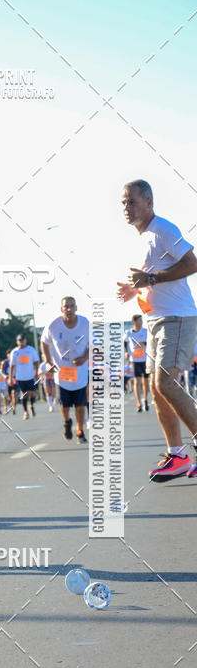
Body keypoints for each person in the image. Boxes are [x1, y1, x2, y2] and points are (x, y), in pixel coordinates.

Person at [117, 180, 197, 480]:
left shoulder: (163, 229)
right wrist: (136, 289)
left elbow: (192, 263)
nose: (126, 208)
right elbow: (153, 278)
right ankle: (178, 455)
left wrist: (150, 280)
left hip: (177, 318)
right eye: (123, 203)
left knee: (166, 383)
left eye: (132, 201)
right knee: (157, 389)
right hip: (155, 321)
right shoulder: (143, 237)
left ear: (149, 202)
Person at [41, 297, 90, 444]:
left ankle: (80, 430)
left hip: (80, 373)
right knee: (65, 405)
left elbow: (95, 344)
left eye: (71, 306)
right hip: (61, 373)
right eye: (66, 307)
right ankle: (67, 422)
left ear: (76, 308)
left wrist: (84, 358)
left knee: (80, 406)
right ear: (61, 309)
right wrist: (47, 361)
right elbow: (44, 342)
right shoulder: (53, 325)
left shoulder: (85, 324)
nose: (69, 309)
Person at [8, 334, 39, 419]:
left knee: (32, 394)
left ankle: (31, 405)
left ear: (25, 340)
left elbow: (36, 362)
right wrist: (10, 377)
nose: (21, 342)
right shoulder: (14, 352)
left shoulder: (31, 350)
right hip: (20, 377)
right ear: (17, 341)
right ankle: (25, 412)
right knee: (24, 394)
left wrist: (37, 373)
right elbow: (12, 366)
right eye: (19, 340)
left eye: (22, 340)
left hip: (30, 376)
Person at [124, 314, 150, 412]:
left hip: (145, 359)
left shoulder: (145, 331)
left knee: (145, 382)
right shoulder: (128, 332)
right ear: (134, 322)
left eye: (142, 320)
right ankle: (139, 403)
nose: (142, 322)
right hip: (135, 360)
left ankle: (145, 399)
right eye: (140, 320)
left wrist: (144, 343)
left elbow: (150, 342)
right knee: (137, 382)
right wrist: (126, 352)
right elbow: (124, 342)